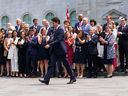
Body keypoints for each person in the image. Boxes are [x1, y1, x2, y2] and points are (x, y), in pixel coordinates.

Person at [39, 17, 76, 85]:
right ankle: (46, 79)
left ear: (57, 22)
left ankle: (73, 77)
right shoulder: (54, 29)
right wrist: (48, 40)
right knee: (51, 64)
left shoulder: (61, 29)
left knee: (66, 64)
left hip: (61, 50)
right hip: (55, 50)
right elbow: (52, 38)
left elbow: (59, 40)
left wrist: (49, 45)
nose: (52, 24)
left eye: (53, 22)